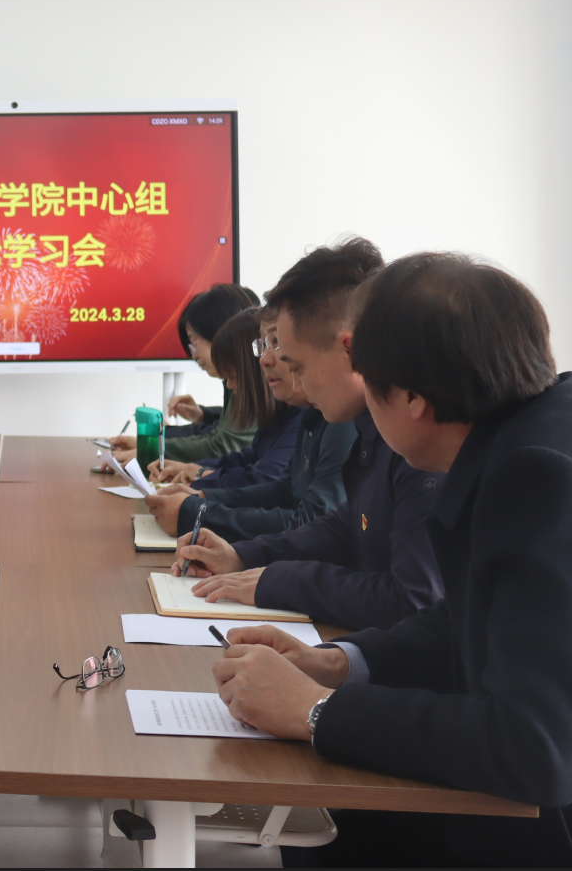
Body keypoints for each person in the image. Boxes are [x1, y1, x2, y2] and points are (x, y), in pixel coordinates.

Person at [209, 253, 572, 866]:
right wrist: (338, 664)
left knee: (342, 826)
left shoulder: (547, 481)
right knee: (340, 820)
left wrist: (314, 710)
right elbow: (473, 617)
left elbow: (538, 750)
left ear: (411, 398)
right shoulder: (537, 436)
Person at [173, 238, 444, 631]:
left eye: (295, 365)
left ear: (349, 349)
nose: (293, 381)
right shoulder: (368, 428)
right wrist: (243, 556)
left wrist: (277, 581)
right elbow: (344, 526)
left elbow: (411, 601)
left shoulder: (419, 441)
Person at [148, 306, 350, 541]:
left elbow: (309, 522)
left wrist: (197, 511)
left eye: (276, 342)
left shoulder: (338, 418)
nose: (264, 359)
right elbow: (282, 490)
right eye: (263, 345)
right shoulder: (310, 412)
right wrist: (203, 496)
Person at [110, 283, 262, 467]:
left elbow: (224, 445)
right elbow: (220, 433)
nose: (194, 356)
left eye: (194, 342)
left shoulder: (254, 380)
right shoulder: (238, 377)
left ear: (220, 331)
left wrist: (152, 449)